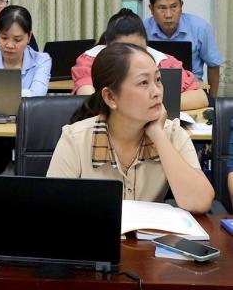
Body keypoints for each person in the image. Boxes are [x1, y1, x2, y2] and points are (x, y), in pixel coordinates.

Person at [49, 43, 213, 213]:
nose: (156, 92)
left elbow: (200, 202)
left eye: (158, 80)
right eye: (143, 82)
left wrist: (158, 135)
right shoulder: (75, 139)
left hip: (149, 231)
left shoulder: (172, 133)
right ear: (110, 97)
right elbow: (52, 210)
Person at [72, 8, 208, 111]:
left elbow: (200, 97)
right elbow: (90, 99)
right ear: (107, 44)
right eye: (123, 49)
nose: (133, 55)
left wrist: (150, 105)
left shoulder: (164, 61)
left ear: (146, 44)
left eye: (138, 48)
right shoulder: (90, 60)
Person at [144, 0, 223, 96]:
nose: (168, 15)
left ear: (181, 6)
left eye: (174, 7)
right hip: (153, 91)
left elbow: (213, 65)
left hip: (191, 90)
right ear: (151, 9)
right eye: (161, 8)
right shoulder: (142, 30)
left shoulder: (200, 28)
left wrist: (212, 99)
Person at [0, 5, 52, 97]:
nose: (9, 45)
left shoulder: (41, 60)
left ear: (29, 37)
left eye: (17, 40)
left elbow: (36, 96)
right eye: (4, 38)